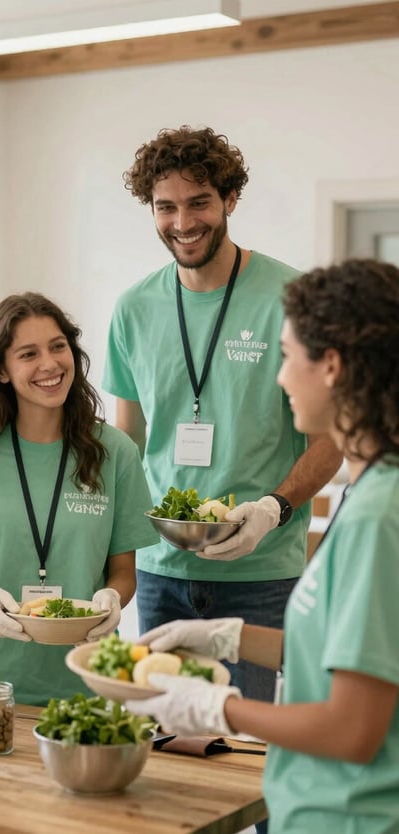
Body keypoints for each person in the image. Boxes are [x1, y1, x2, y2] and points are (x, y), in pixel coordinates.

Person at [131, 258, 399, 834]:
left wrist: (215, 709)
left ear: (331, 366)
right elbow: (337, 656)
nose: (279, 378)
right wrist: (227, 636)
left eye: (286, 356)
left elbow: (352, 730)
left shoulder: (381, 514)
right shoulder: (371, 487)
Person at [103, 125, 343, 703]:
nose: (183, 223)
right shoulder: (134, 308)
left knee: (243, 751)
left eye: (199, 202)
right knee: (166, 744)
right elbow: (126, 443)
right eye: (166, 207)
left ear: (230, 199)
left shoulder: (291, 298)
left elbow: (333, 439)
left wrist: (272, 508)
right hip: (161, 572)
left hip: (262, 575)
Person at [0, 292, 158, 706]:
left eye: (58, 347)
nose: (49, 364)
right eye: (28, 354)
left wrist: (112, 599)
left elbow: (123, 572)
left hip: (88, 683)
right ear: (1, 371)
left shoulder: (116, 452)